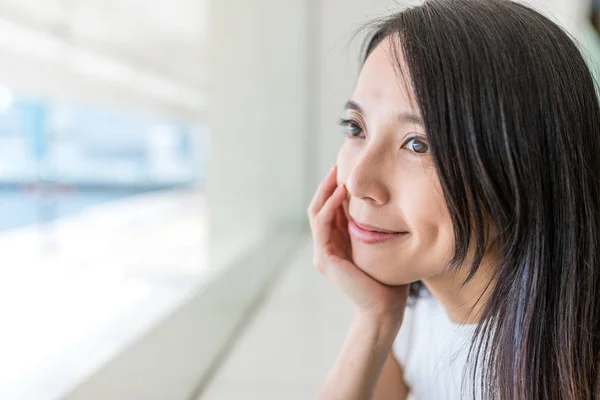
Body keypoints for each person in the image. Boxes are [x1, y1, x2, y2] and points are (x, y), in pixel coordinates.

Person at [307, 0, 600, 399]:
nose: (357, 181)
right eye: (356, 128)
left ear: (522, 169)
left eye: (417, 144)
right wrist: (374, 319)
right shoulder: (411, 316)